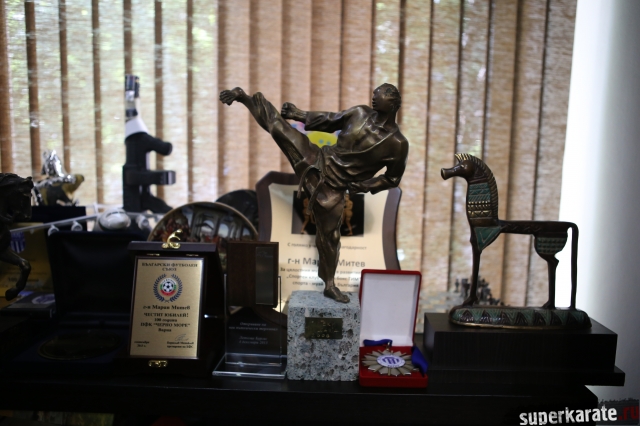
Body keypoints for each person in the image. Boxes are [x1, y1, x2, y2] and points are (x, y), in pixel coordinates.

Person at [219, 83, 408, 303]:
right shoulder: (360, 113)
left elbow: (392, 179)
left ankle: (329, 284)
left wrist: (365, 186)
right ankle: (244, 97)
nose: (374, 96)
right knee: (279, 128)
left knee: (330, 240)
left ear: (393, 103)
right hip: (316, 161)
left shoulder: (397, 144)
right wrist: (298, 114)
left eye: (380, 94)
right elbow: (330, 120)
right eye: (375, 93)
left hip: (334, 189)